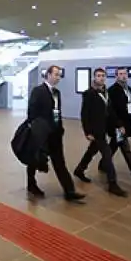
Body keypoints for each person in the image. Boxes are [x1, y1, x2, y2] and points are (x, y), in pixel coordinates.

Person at [26, 66, 85, 202]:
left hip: (56, 133)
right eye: (56, 74)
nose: (58, 77)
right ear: (48, 75)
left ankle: (69, 191)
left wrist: (60, 128)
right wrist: (36, 130)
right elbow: (32, 112)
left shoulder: (57, 93)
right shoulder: (38, 91)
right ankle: (31, 184)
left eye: (59, 75)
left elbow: (57, 112)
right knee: (35, 160)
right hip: (42, 133)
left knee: (60, 162)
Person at [75, 68, 128, 197]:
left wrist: (119, 124)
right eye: (98, 76)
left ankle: (79, 169)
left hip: (105, 128)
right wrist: (87, 132)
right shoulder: (89, 93)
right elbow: (84, 114)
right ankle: (112, 184)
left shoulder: (106, 93)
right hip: (95, 130)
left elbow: (111, 111)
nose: (101, 78)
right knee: (107, 154)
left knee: (92, 150)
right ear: (94, 77)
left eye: (103, 76)